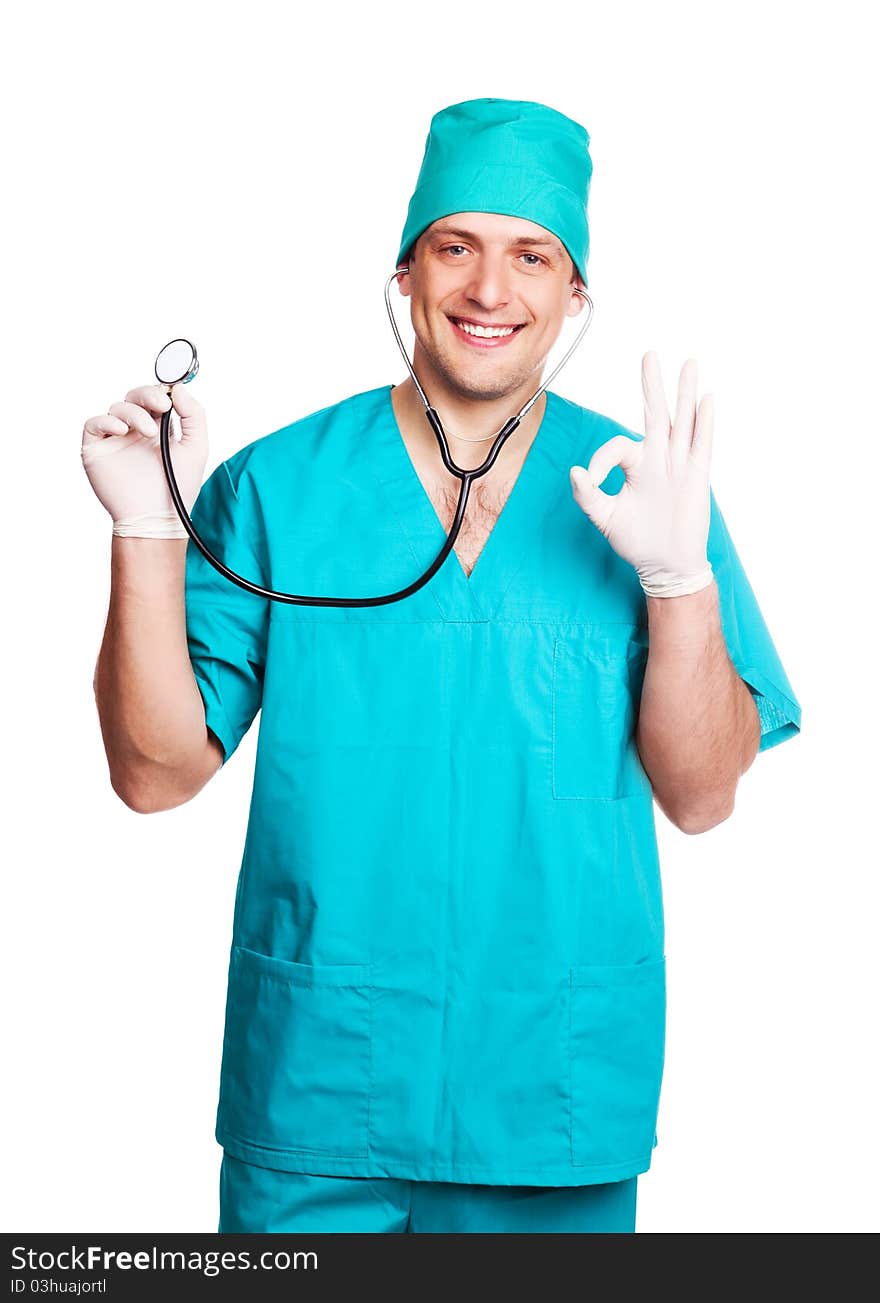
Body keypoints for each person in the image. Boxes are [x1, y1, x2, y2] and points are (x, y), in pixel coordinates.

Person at [81, 98, 802, 1234]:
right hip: (319, 1084)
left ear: (574, 297)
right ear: (405, 272)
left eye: (531, 255)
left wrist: (680, 580)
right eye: (455, 247)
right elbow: (156, 773)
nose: (488, 289)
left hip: (551, 1097)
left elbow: (704, 794)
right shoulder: (280, 485)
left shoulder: (643, 491)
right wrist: (144, 530)